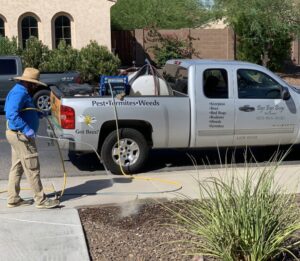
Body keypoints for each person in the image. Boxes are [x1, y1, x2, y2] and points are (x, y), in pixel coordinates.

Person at [5, 67, 60, 209]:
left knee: (17, 167)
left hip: (16, 135)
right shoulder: (19, 93)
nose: (36, 86)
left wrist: (36, 114)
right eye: (34, 83)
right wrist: (26, 129)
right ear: (29, 83)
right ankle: (41, 200)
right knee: (32, 167)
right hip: (21, 136)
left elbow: (24, 111)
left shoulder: (22, 91)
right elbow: (11, 114)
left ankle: (13, 198)